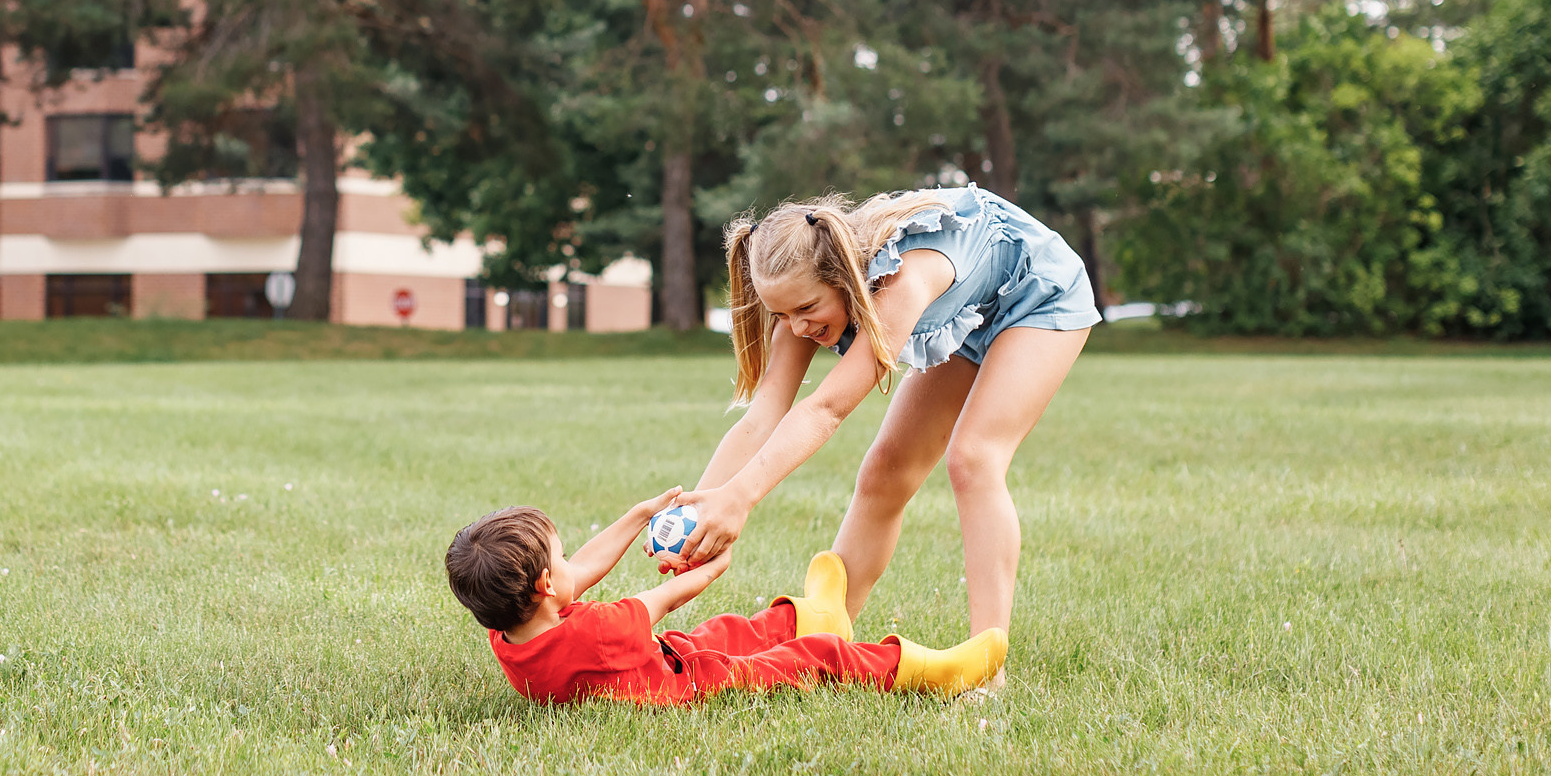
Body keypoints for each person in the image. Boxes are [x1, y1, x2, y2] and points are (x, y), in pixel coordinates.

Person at [662, 186, 1099, 672]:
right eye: (782, 315)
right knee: (884, 471)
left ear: (842, 278)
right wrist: (703, 506)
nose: (797, 327)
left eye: (807, 309)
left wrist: (742, 499)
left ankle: (986, 664)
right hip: (968, 307)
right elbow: (763, 415)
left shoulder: (903, 285)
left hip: (1033, 291)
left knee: (973, 458)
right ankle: (824, 639)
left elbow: (826, 408)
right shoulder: (798, 304)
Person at [443, 494, 1004, 707]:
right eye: (559, 560)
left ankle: (819, 614)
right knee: (814, 659)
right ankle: (937, 672)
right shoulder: (599, 628)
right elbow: (664, 595)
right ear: (545, 585)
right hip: (681, 685)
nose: (574, 565)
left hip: (649, 662)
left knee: (735, 628)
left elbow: (583, 569)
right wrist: (711, 562)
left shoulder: (508, 631)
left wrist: (641, 515)